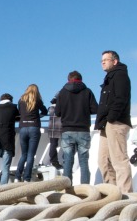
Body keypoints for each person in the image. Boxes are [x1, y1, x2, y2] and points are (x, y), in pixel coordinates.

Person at [95, 50, 132, 192]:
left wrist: (111, 118)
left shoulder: (120, 75)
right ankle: (113, 193)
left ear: (114, 61)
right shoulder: (110, 78)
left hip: (115, 123)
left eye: (106, 59)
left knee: (119, 160)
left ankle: (125, 195)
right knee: (103, 161)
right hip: (105, 124)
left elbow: (121, 99)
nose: (103, 62)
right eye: (101, 60)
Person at [55, 70, 99, 184]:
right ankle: (86, 189)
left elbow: (57, 112)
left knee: (68, 161)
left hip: (68, 131)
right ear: (81, 79)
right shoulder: (87, 91)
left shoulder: (62, 92)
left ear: (68, 79)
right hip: (83, 130)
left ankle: (67, 189)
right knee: (84, 161)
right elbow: (95, 109)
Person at [16, 83, 47, 181]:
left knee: (24, 155)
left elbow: (20, 112)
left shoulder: (21, 100)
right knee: (30, 155)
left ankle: (17, 177)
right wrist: (39, 116)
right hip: (34, 127)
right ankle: (27, 178)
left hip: (23, 127)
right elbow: (45, 111)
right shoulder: (37, 100)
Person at [45, 96, 62, 170]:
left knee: (53, 144)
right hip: (60, 127)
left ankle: (53, 160)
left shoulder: (50, 108)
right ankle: (59, 161)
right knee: (65, 144)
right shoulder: (60, 107)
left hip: (51, 128)